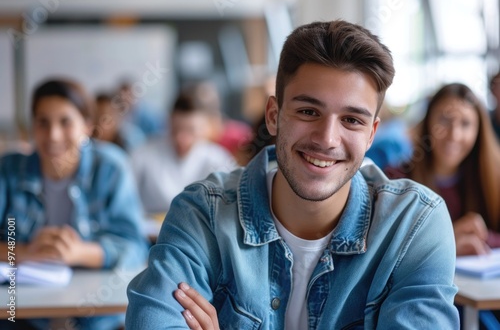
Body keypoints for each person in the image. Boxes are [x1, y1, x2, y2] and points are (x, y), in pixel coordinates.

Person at [126, 20, 459, 329]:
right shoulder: (203, 213)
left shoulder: (413, 224)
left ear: (371, 135)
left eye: (352, 120)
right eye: (308, 111)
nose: (327, 139)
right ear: (273, 116)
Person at [0, 78, 148, 330]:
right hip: (19, 309)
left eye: (65, 122)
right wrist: (25, 252)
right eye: (42, 122)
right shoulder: (9, 169)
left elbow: (136, 247)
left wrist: (78, 252)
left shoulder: (111, 168)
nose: (53, 135)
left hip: (94, 311)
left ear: (88, 126)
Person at [385, 83, 500, 256]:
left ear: (479, 132)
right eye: (444, 120)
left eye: (466, 124)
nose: (454, 135)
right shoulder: (395, 180)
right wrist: (445, 241)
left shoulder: (491, 179)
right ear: (428, 122)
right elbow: (383, 248)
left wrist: (484, 237)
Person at [130, 89, 237, 216]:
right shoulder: (143, 153)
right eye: (176, 129)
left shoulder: (219, 159)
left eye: (191, 131)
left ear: (205, 128)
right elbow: (126, 198)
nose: (181, 138)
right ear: (169, 122)